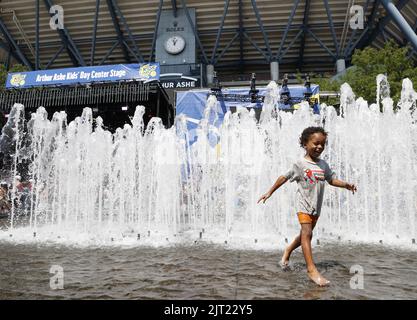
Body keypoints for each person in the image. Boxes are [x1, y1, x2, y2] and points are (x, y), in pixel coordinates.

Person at [257, 126, 357, 286]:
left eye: (322, 144)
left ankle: (288, 251)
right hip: (303, 204)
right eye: (315, 143)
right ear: (305, 144)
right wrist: (270, 192)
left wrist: (346, 185)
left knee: (305, 235)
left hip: (315, 207)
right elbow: (284, 177)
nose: (319, 147)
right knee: (307, 233)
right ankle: (312, 270)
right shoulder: (300, 164)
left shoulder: (323, 164)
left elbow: (331, 180)